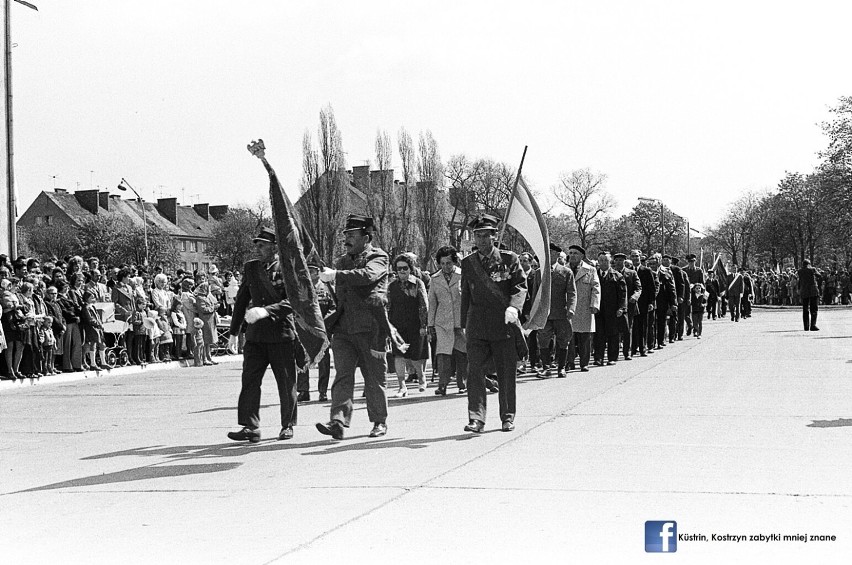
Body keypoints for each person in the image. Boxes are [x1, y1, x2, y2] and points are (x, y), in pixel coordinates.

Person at [316, 215, 390, 440]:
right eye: (345, 235)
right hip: (344, 329)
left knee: (373, 379)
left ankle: (379, 422)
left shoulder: (379, 257)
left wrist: (336, 275)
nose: (346, 239)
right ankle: (337, 421)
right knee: (343, 376)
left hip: (370, 329)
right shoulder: (342, 262)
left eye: (351, 235)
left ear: (366, 237)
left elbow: (368, 276)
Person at [226, 226, 300, 443]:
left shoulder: (288, 267)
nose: (257, 249)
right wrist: (233, 332)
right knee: (249, 380)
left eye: (262, 245)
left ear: (274, 247)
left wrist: (267, 311)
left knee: (286, 383)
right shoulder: (251, 268)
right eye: (256, 245)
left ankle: (287, 425)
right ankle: (251, 426)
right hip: (256, 336)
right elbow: (241, 300)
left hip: (281, 333)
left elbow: (295, 300)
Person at [460, 213, 527, 433]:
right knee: (475, 371)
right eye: (477, 235)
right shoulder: (468, 263)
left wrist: (514, 307)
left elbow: (520, 286)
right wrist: (463, 324)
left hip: (503, 323)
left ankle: (507, 416)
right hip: (477, 325)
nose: (480, 240)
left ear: (493, 235)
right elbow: (466, 297)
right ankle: (476, 418)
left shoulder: (509, 259)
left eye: (484, 235)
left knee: (506, 372)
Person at [387, 252, 429, 397]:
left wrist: (424, 325)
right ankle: (402, 386)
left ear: (410, 268)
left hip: (415, 325)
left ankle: (421, 378)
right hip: (397, 327)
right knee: (399, 356)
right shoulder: (392, 286)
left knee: (416, 356)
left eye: (405, 268)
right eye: (399, 269)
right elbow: (387, 307)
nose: (402, 271)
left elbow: (424, 305)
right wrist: (388, 327)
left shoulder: (418, 283)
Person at [428, 245, 468, 396]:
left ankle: (462, 383)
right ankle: (442, 384)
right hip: (442, 322)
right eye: (442, 263)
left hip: (460, 321)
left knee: (461, 353)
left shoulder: (463, 275)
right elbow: (432, 302)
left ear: (455, 262)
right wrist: (430, 324)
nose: (445, 266)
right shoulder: (434, 279)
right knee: (443, 354)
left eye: (448, 263)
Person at [536, 242, 576, 378]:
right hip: (544, 314)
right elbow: (535, 294)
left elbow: (572, 293)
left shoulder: (566, 272)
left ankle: (561, 368)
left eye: (551, 252)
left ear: (557, 255)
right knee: (543, 340)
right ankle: (546, 368)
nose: (547, 255)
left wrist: (571, 309)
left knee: (563, 340)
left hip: (561, 313)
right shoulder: (539, 272)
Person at [296, 260, 335, 402]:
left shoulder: (327, 288)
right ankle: (303, 390)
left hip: (322, 329)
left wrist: (325, 322)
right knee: (303, 359)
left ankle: (323, 391)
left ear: (319, 272)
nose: (310, 274)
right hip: (306, 328)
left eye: (313, 271)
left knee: (323, 361)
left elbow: (333, 306)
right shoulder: (301, 288)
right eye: (308, 271)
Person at [566, 244, 600, 372]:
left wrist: (594, 304)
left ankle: (584, 363)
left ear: (581, 256)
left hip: (585, 307)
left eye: (575, 253)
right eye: (571, 253)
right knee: (569, 336)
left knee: (584, 337)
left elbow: (596, 288)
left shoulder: (590, 270)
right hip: (569, 307)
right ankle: (569, 362)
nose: (572, 255)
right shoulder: (565, 269)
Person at [593, 252, 627, 366]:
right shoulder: (594, 275)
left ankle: (612, 357)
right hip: (598, 310)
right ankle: (598, 357)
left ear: (610, 262)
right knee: (599, 335)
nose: (603, 263)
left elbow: (622, 294)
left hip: (613, 311)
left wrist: (621, 308)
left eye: (605, 261)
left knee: (613, 334)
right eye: (601, 260)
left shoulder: (617, 276)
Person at [629, 250, 657, 357]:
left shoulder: (646, 270)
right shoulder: (628, 271)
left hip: (643, 303)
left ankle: (642, 348)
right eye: (633, 256)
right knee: (632, 326)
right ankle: (632, 348)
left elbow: (652, 288)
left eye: (637, 256)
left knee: (642, 326)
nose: (635, 258)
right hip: (631, 302)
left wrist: (651, 302)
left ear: (640, 257)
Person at [613, 252, 641, 361]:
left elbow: (638, 288)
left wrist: (635, 296)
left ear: (625, 261)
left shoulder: (632, 273)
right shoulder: (612, 273)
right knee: (614, 330)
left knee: (627, 329)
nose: (619, 262)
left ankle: (627, 352)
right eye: (617, 260)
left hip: (629, 305)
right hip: (614, 305)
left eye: (621, 260)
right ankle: (614, 354)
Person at [798, 259, 821, 331]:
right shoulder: (812, 269)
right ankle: (813, 325)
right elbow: (819, 275)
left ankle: (806, 326)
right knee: (814, 309)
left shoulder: (800, 271)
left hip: (804, 291)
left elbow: (800, 281)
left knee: (805, 309)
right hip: (813, 291)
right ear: (809, 264)